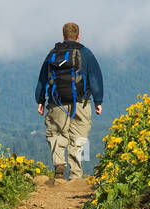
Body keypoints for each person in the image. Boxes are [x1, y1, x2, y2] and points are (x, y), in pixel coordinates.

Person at [34, 21, 103, 180]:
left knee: (57, 133)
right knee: (79, 136)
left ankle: (59, 164)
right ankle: (76, 175)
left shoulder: (53, 53)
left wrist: (40, 100)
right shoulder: (85, 53)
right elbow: (95, 77)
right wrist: (98, 101)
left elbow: (43, 78)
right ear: (78, 36)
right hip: (81, 102)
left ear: (63, 36)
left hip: (56, 102)